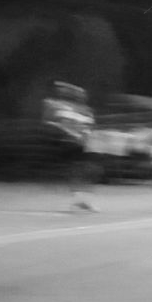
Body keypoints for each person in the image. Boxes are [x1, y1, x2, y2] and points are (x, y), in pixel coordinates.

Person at [42, 80, 98, 212]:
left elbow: (88, 127)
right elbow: (52, 121)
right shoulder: (63, 107)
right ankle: (80, 200)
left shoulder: (87, 111)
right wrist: (71, 133)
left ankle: (83, 200)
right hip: (69, 143)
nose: (82, 97)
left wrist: (85, 137)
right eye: (79, 94)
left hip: (83, 144)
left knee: (90, 171)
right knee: (79, 170)